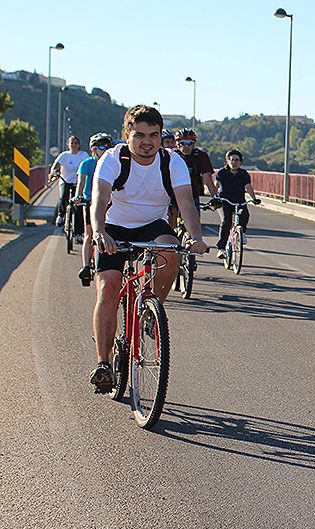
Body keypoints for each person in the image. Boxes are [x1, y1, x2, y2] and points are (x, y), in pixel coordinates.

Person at [88, 105, 209, 392]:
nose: (147, 142)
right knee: (109, 288)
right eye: (139, 134)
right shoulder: (113, 159)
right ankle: (104, 364)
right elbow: (99, 197)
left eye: (154, 135)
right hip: (114, 226)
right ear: (126, 135)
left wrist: (195, 237)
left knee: (171, 252)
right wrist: (99, 231)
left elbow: (186, 202)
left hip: (152, 224)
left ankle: (151, 308)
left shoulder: (172, 161)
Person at [74, 133, 113, 285]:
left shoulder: (113, 163)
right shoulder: (87, 164)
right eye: (100, 147)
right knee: (89, 234)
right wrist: (78, 197)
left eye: (107, 146)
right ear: (93, 149)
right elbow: (81, 182)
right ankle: (85, 267)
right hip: (90, 201)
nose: (104, 150)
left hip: (108, 202)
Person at [212, 149, 260, 257]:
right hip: (225, 201)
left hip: (239, 200)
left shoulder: (243, 174)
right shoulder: (222, 172)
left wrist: (254, 198)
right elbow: (216, 185)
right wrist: (215, 198)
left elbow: (248, 187)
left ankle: (241, 233)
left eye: (237, 160)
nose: (234, 162)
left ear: (240, 162)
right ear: (228, 161)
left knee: (245, 214)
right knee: (226, 222)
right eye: (232, 160)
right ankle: (221, 248)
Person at [50, 135, 88, 227]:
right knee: (63, 196)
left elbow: (88, 165)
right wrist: (53, 173)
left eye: (76, 143)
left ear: (79, 145)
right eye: (72, 143)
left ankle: (78, 231)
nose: (74, 145)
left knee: (78, 203)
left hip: (78, 183)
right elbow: (55, 166)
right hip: (65, 180)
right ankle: (60, 215)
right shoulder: (64, 155)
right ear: (68, 145)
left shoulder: (83, 155)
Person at [174, 128, 214, 209]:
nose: (186, 146)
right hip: (173, 195)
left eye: (190, 143)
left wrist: (216, 197)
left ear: (194, 144)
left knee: (193, 220)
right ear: (177, 144)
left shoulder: (201, 156)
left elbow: (207, 180)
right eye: (183, 143)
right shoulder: (171, 156)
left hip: (192, 195)